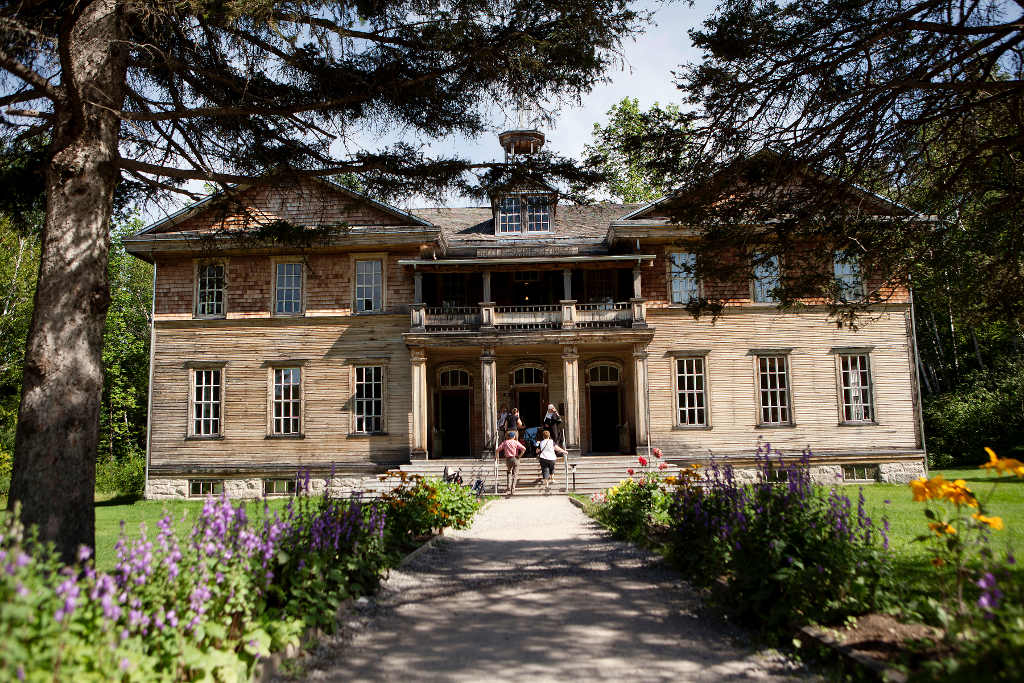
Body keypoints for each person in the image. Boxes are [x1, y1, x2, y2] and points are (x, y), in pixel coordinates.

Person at [495, 430, 526, 496]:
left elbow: (497, 450)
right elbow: (524, 449)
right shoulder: (516, 442)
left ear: (508, 436)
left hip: (508, 459)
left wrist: (497, 458)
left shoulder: (505, 442)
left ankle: (508, 487)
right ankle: (513, 489)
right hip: (515, 458)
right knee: (515, 474)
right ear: (514, 436)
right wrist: (519, 456)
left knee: (509, 472)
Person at [537, 429, 568, 493]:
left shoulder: (541, 442)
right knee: (552, 468)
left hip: (543, 458)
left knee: (545, 470)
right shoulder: (551, 441)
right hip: (552, 458)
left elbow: (537, 451)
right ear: (549, 436)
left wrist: (537, 446)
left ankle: (546, 484)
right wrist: (564, 451)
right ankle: (552, 479)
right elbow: (557, 448)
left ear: (543, 436)